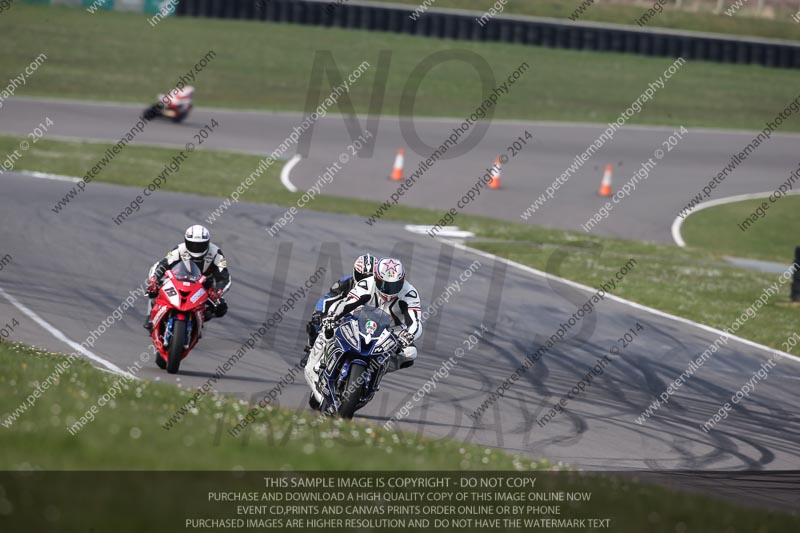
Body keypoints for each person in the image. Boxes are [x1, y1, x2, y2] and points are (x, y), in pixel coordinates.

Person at [304, 257, 422, 406]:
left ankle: (378, 370)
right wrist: (332, 317)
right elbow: (348, 303)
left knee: (410, 352)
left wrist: (409, 335)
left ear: (402, 280)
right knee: (329, 327)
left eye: (394, 286)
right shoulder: (368, 283)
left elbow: (415, 322)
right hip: (360, 321)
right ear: (377, 278)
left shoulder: (410, 293)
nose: (388, 290)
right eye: (384, 284)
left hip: (391, 330)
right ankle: (318, 364)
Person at [143, 224, 230, 332]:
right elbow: (163, 264)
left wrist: (218, 291)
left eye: (200, 245)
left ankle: (199, 319)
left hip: (204, 284)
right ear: (186, 241)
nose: (196, 248)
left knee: (221, 307)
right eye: (192, 244)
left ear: (207, 243)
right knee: (154, 287)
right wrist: (154, 279)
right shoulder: (180, 249)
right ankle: (151, 314)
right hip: (178, 279)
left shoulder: (216, 253)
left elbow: (225, 277)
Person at [303, 253, 376, 361]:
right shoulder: (346, 282)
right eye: (361, 277)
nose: (365, 281)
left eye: (369, 278)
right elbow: (328, 299)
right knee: (316, 323)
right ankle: (311, 349)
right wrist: (319, 312)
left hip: (367, 321)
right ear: (355, 273)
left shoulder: (379, 291)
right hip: (343, 315)